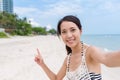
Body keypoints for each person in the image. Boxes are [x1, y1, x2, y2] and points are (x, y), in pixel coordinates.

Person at [34, 15, 120, 80]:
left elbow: (107, 59)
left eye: (73, 30)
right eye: (64, 32)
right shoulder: (67, 60)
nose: (69, 35)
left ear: (80, 31)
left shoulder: (90, 52)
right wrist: (42, 64)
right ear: (61, 35)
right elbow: (56, 78)